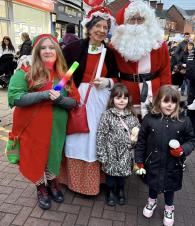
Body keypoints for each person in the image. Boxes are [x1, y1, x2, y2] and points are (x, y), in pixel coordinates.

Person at [7, 34, 79, 210]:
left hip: (57, 127)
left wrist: (59, 100)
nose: (48, 51)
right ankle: (40, 187)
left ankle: (53, 183)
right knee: (35, 157)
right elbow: (15, 97)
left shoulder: (64, 73)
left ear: (57, 50)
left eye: (51, 47)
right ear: (37, 51)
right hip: (32, 127)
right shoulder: (25, 70)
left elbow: (74, 102)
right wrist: (44, 95)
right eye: (43, 47)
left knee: (53, 155)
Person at [58, 6, 119, 195]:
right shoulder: (74, 48)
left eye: (105, 27)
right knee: (75, 136)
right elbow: (64, 72)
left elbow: (117, 77)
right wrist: (58, 90)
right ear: (89, 27)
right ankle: (72, 180)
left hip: (100, 101)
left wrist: (107, 81)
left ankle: (96, 181)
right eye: (98, 26)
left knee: (95, 138)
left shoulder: (109, 53)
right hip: (78, 99)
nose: (102, 30)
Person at [134, 85, 195, 226]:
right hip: (153, 161)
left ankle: (169, 208)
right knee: (152, 182)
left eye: (173, 102)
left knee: (170, 186)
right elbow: (141, 141)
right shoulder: (150, 119)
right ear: (158, 102)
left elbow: (191, 140)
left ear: (177, 103)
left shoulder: (184, 121)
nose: (169, 105)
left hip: (173, 163)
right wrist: (139, 160)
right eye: (165, 101)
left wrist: (182, 150)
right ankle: (152, 201)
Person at [110, 0, 171, 118]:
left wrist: (166, 96)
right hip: (126, 96)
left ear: (147, 21)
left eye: (140, 19)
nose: (136, 23)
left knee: (152, 131)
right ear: (125, 22)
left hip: (154, 94)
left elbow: (165, 72)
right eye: (132, 19)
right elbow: (112, 72)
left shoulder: (158, 43)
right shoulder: (116, 45)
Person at [96, 83, 140, 206]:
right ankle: (110, 191)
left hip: (126, 152)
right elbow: (101, 135)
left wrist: (135, 139)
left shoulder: (132, 114)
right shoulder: (107, 115)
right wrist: (102, 155)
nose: (121, 101)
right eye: (118, 98)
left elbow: (137, 130)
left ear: (128, 99)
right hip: (111, 152)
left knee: (122, 176)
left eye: (124, 98)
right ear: (112, 99)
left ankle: (120, 190)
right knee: (110, 176)